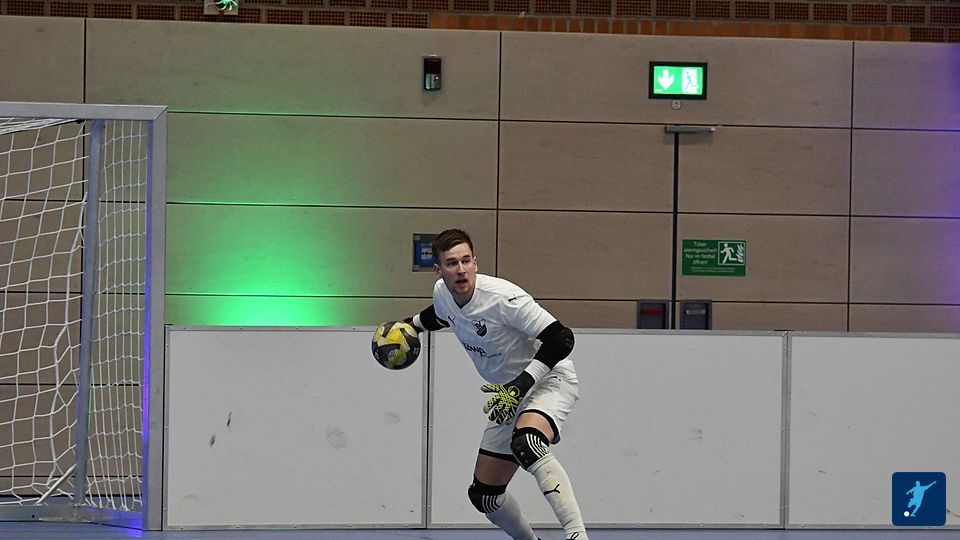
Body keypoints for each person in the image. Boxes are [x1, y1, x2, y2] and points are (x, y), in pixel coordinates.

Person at [402, 228, 589, 540]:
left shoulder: (504, 299)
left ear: (475, 263)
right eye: (451, 263)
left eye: (466, 261)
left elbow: (561, 338)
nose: (460, 270)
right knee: (485, 496)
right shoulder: (442, 293)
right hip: (508, 394)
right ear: (438, 270)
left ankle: (576, 535)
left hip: (547, 380)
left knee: (528, 442)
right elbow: (442, 315)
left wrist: (521, 384)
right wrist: (409, 326)